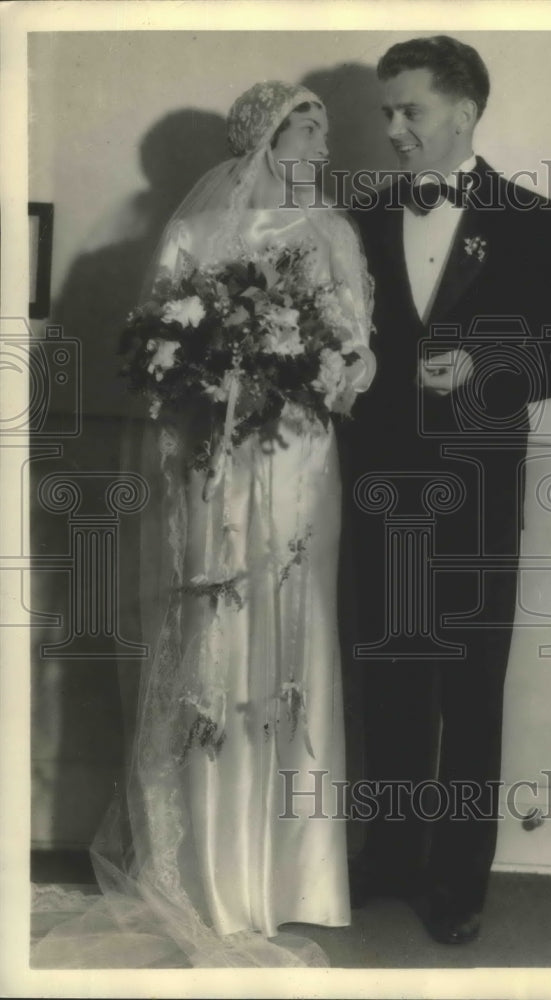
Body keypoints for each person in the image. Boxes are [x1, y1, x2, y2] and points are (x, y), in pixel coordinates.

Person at [32, 81, 375, 969]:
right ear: (265, 144)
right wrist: (214, 382)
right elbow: (152, 366)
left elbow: (356, 363)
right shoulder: (192, 235)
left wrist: (306, 374)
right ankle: (208, 871)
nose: (321, 155)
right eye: (306, 138)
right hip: (214, 465)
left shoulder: (332, 234)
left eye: (324, 140)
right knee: (212, 633)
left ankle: (297, 875)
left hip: (298, 461)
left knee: (296, 639)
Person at [341, 36, 551, 945]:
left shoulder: (530, 218)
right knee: (389, 676)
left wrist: (484, 363)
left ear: (465, 113)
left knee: (469, 690)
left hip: (476, 497)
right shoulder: (361, 219)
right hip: (378, 491)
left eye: (410, 110)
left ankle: (457, 880)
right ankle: (392, 856)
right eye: (386, 112)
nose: (394, 129)